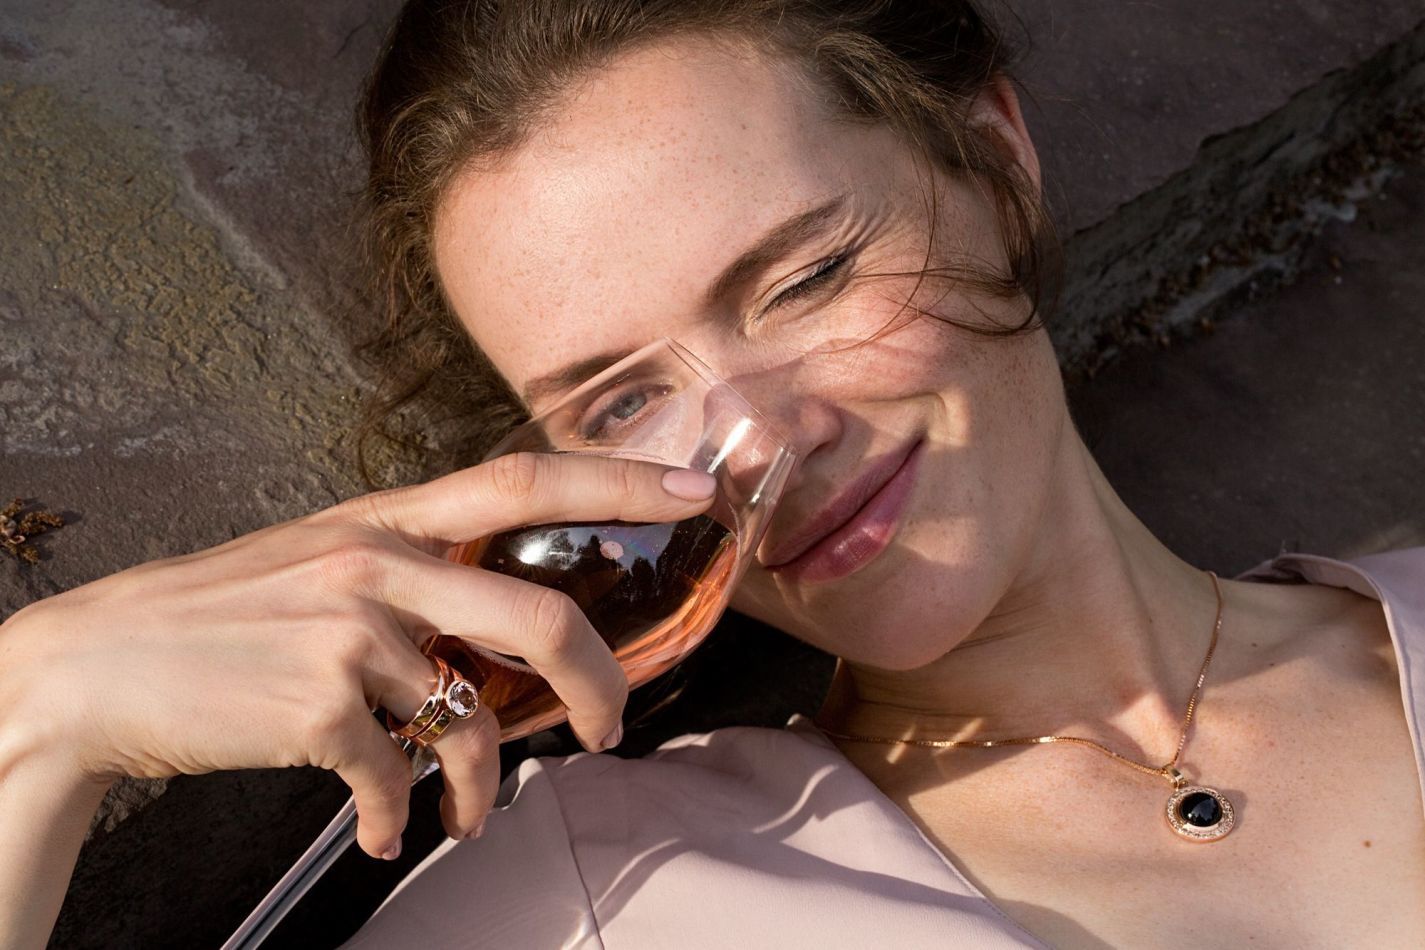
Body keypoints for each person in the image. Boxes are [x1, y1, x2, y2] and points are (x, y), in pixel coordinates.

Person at [2, 1, 1422, 946]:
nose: (767, 437)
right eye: (624, 400)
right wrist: (36, 721)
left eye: (803, 278)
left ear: (994, 168)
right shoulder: (595, 899)